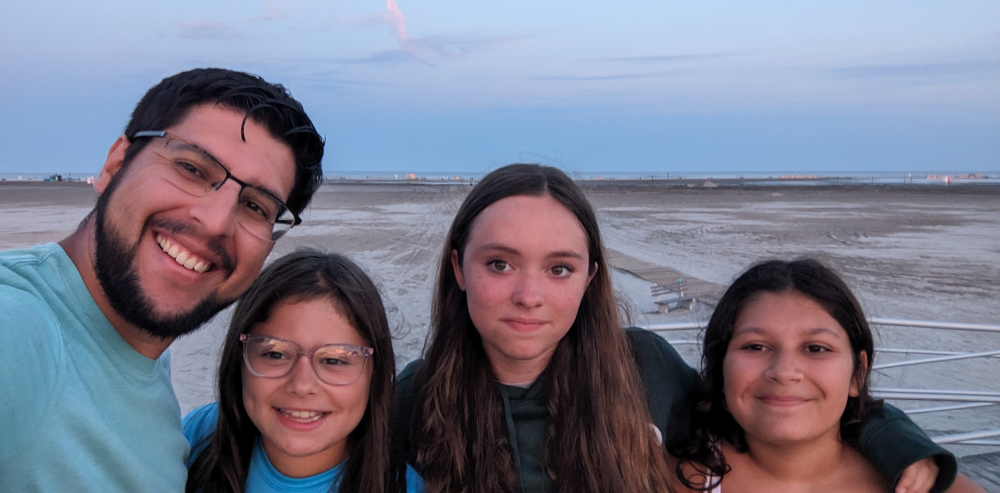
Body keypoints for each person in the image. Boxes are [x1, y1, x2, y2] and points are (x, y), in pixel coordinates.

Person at [390, 163, 958, 493]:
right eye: (499, 264)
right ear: (457, 267)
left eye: (559, 268)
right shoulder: (418, 397)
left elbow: (774, 403)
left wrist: (901, 446)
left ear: (590, 278)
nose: (529, 294)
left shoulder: (642, 367)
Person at [0, 68, 325, 491]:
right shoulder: (20, 331)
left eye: (257, 207)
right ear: (116, 164)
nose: (214, 222)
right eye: (191, 168)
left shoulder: (144, 356)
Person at [667, 258, 982, 493]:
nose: (785, 371)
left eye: (816, 348)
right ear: (721, 366)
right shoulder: (664, 479)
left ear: (857, 373)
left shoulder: (936, 488)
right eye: (756, 346)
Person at [184, 249, 425, 492]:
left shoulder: (404, 487)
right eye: (275, 354)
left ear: (375, 375)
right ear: (239, 361)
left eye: (334, 360)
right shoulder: (200, 436)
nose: (301, 385)